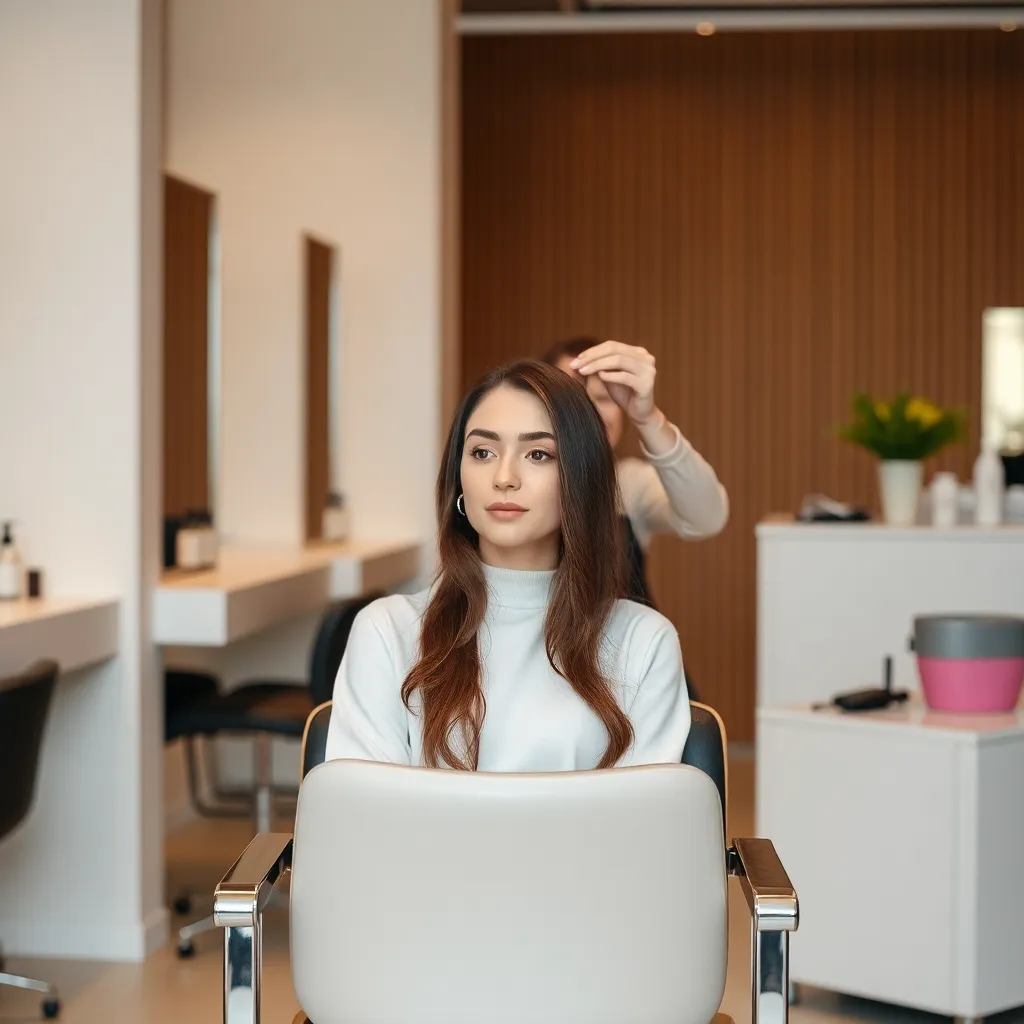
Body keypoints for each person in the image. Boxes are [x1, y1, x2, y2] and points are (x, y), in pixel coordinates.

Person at [325, 360, 691, 771]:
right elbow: (362, 815)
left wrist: (650, 418)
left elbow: (646, 824)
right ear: (458, 477)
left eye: (538, 454)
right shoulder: (387, 632)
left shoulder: (643, 642)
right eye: (482, 452)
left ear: (579, 478)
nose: (503, 477)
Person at [541, 337, 728, 608]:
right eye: (573, 399)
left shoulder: (631, 482)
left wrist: (648, 418)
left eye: (605, 398)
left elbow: (707, 517)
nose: (590, 412)